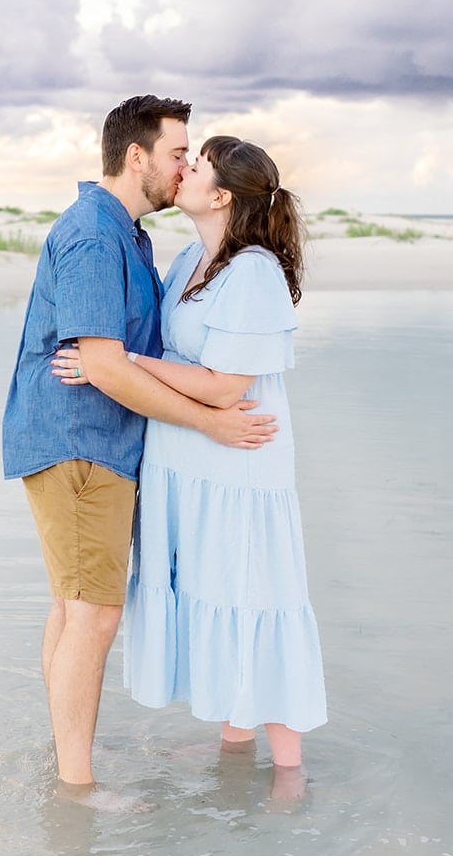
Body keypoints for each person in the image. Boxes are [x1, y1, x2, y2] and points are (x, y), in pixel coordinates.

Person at [1, 97, 279, 794]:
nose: (184, 165)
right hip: (80, 442)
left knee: (75, 606)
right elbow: (104, 363)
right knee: (92, 613)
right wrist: (211, 420)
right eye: (178, 152)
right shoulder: (97, 235)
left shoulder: (131, 235)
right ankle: (78, 787)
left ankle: (65, 759)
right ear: (138, 156)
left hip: (91, 442)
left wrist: (121, 365)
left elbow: (122, 355)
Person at [53, 135, 327, 777]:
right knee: (218, 594)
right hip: (191, 467)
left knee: (258, 597)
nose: (183, 171)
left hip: (237, 466)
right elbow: (185, 359)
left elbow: (226, 386)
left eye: (195, 165)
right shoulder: (189, 260)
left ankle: (287, 778)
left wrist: (115, 364)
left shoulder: (253, 269)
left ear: (221, 195)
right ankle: (236, 748)